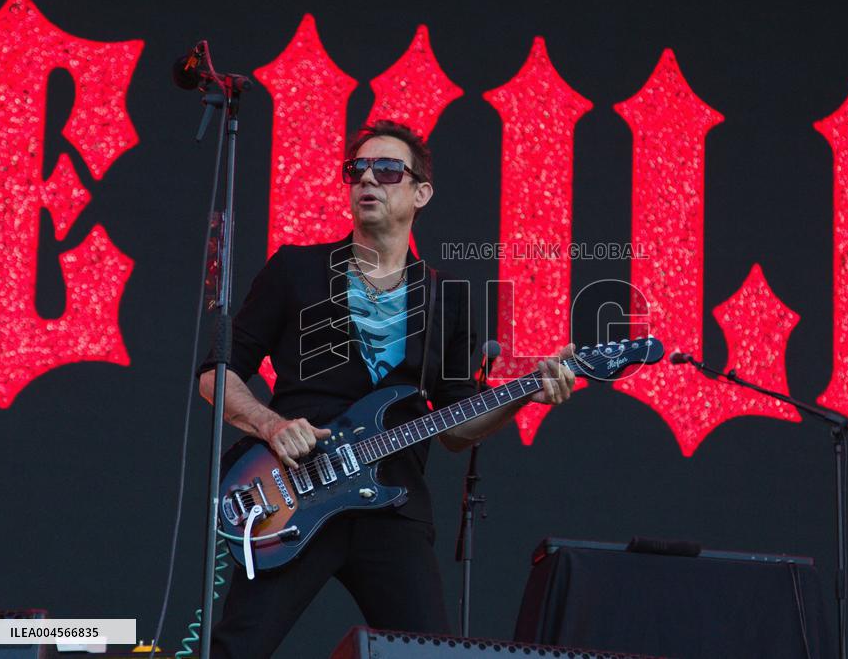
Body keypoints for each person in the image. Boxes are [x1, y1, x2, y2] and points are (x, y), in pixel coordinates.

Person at [197, 120, 576, 658]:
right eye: (357, 169)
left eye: (388, 169)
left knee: (430, 655)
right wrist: (271, 425)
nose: (368, 179)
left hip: (393, 507)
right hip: (294, 494)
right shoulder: (295, 270)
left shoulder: (447, 299)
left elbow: (456, 429)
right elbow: (215, 373)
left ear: (422, 193)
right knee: (238, 649)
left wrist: (523, 395)